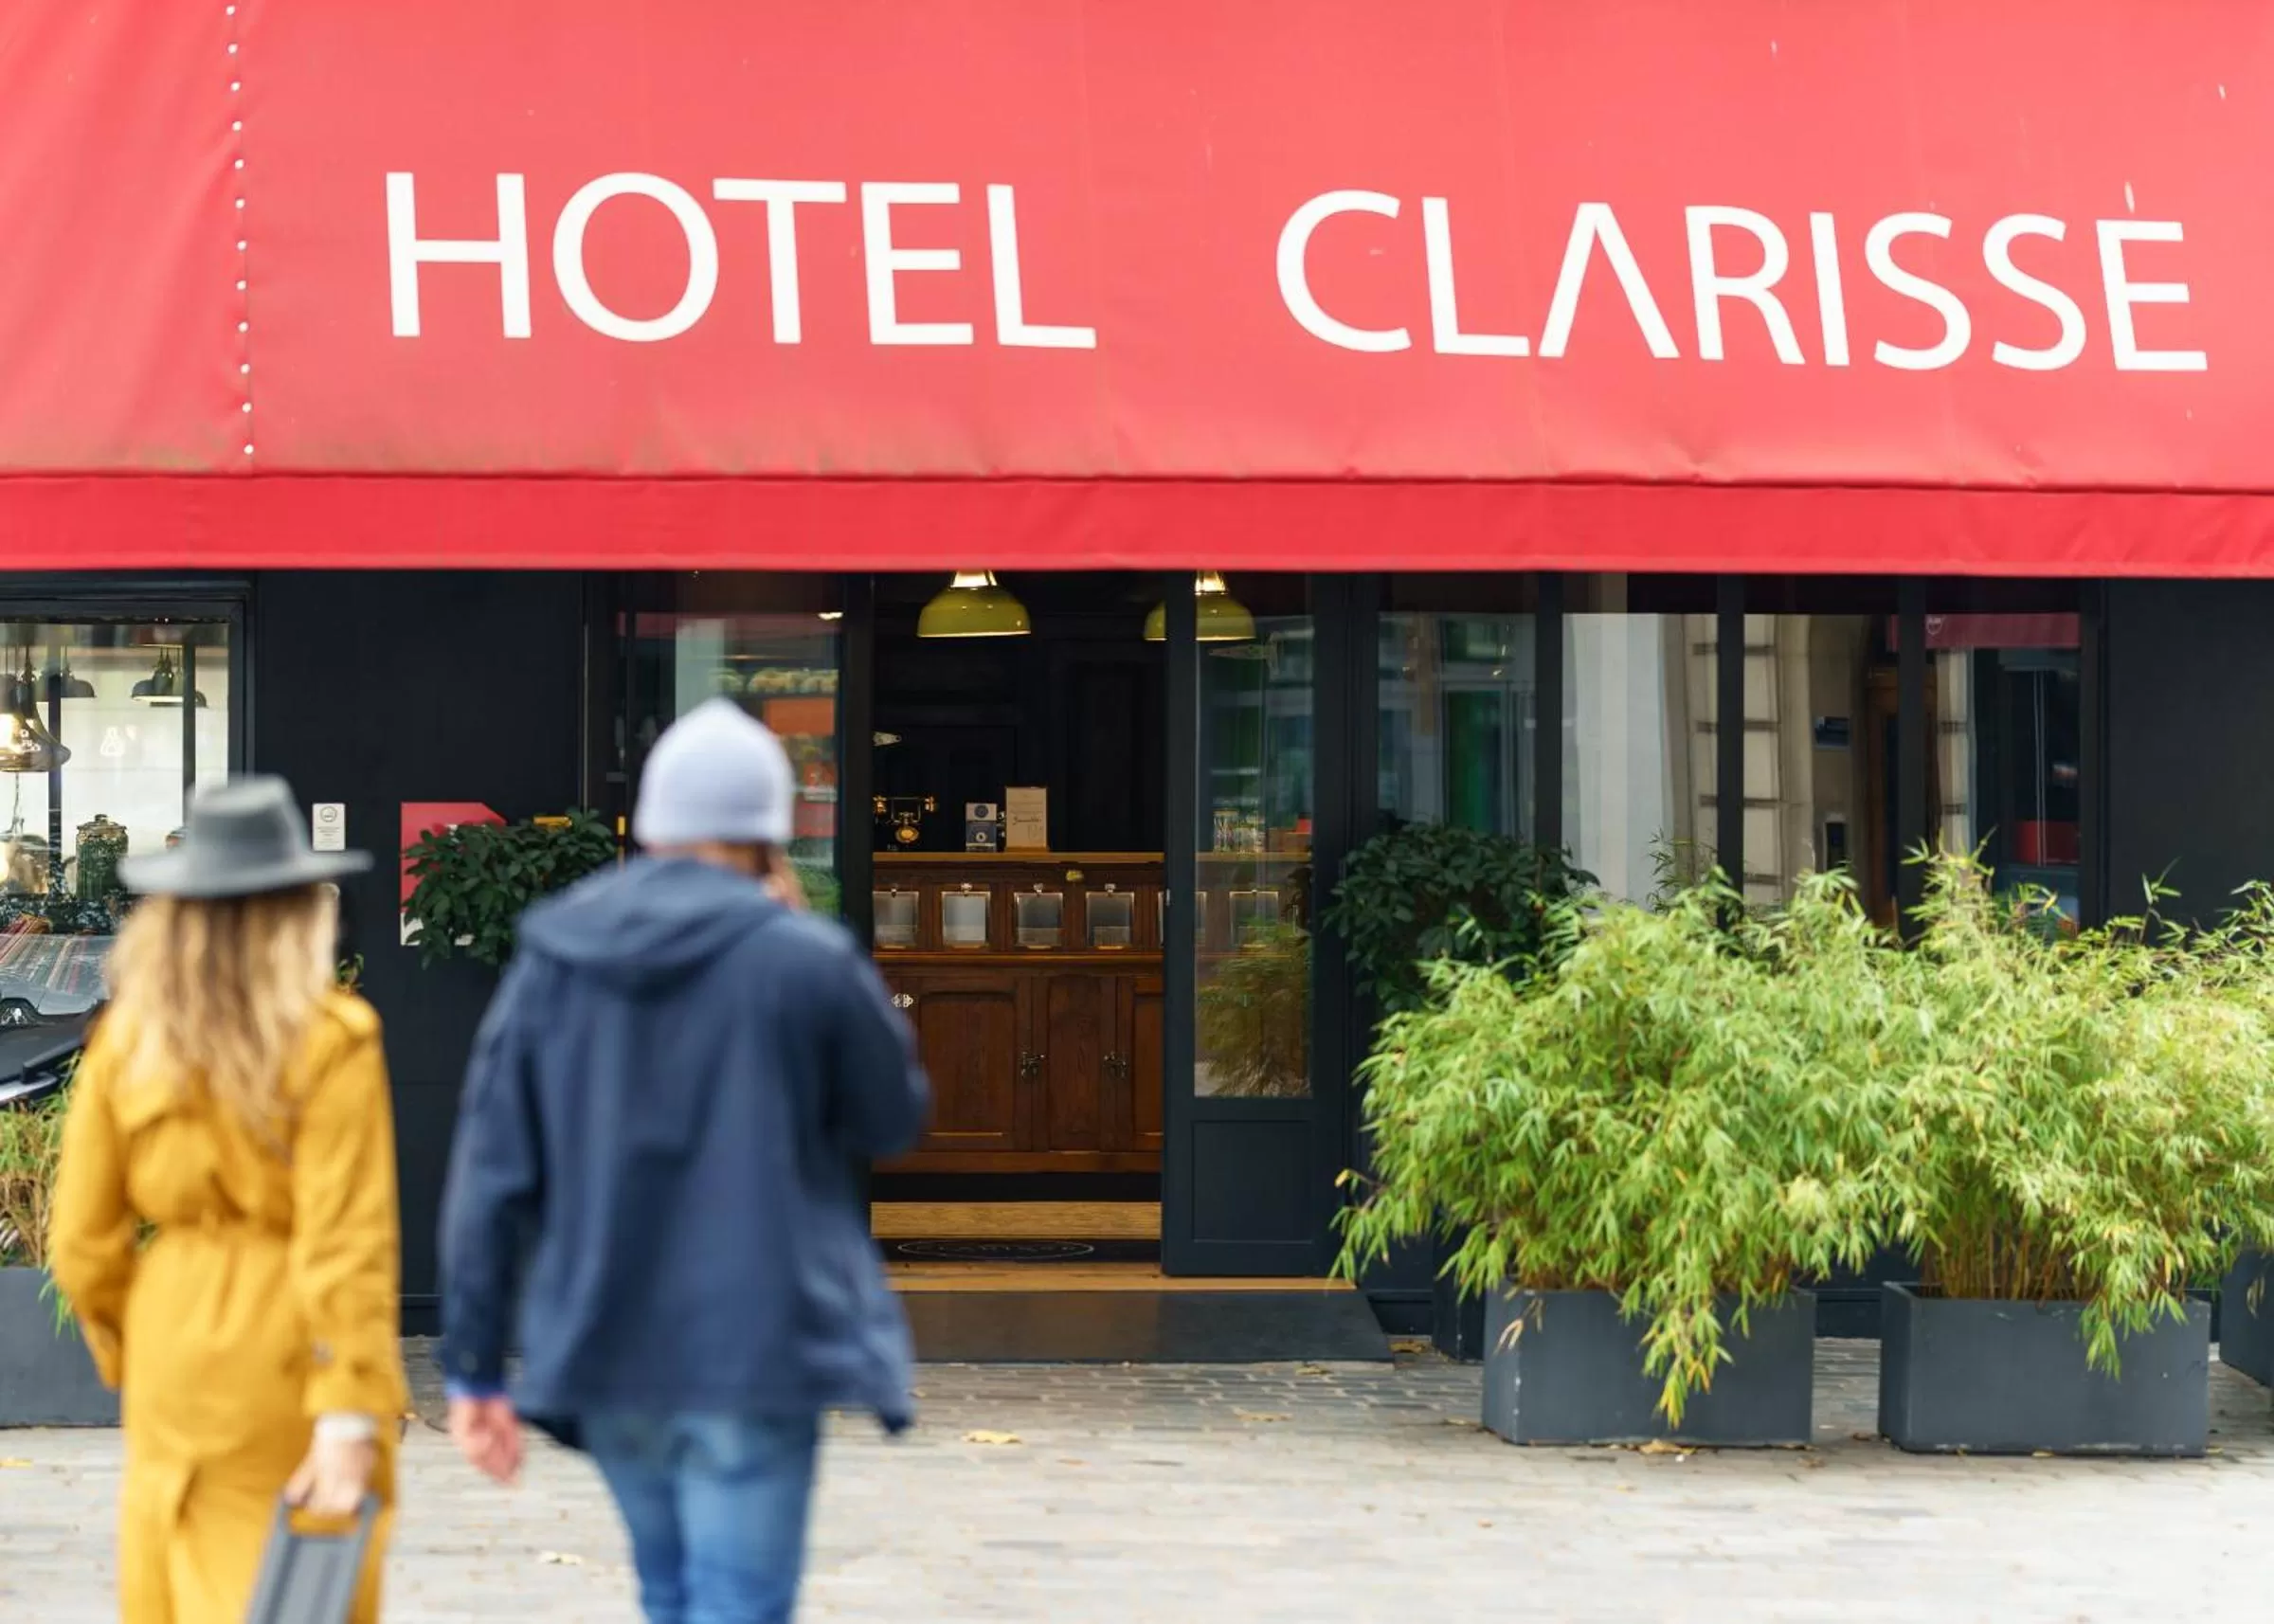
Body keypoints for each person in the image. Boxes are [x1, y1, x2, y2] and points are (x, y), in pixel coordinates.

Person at [439, 697, 929, 1624]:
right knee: (739, 1607)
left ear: (653, 823)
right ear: (768, 833)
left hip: (609, 1342)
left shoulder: (557, 955)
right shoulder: (802, 961)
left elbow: (490, 1172)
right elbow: (892, 1116)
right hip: (759, 1345)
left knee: (670, 1596)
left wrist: (473, 1369)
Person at [48, 777, 406, 1623]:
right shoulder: (332, 1038)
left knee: (173, 1573)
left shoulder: (125, 1042)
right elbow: (347, 1239)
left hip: (173, 1341)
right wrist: (351, 1407)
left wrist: (134, 1352)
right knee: (294, 1589)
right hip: (291, 1350)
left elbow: (81, 1244)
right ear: (294, 909)